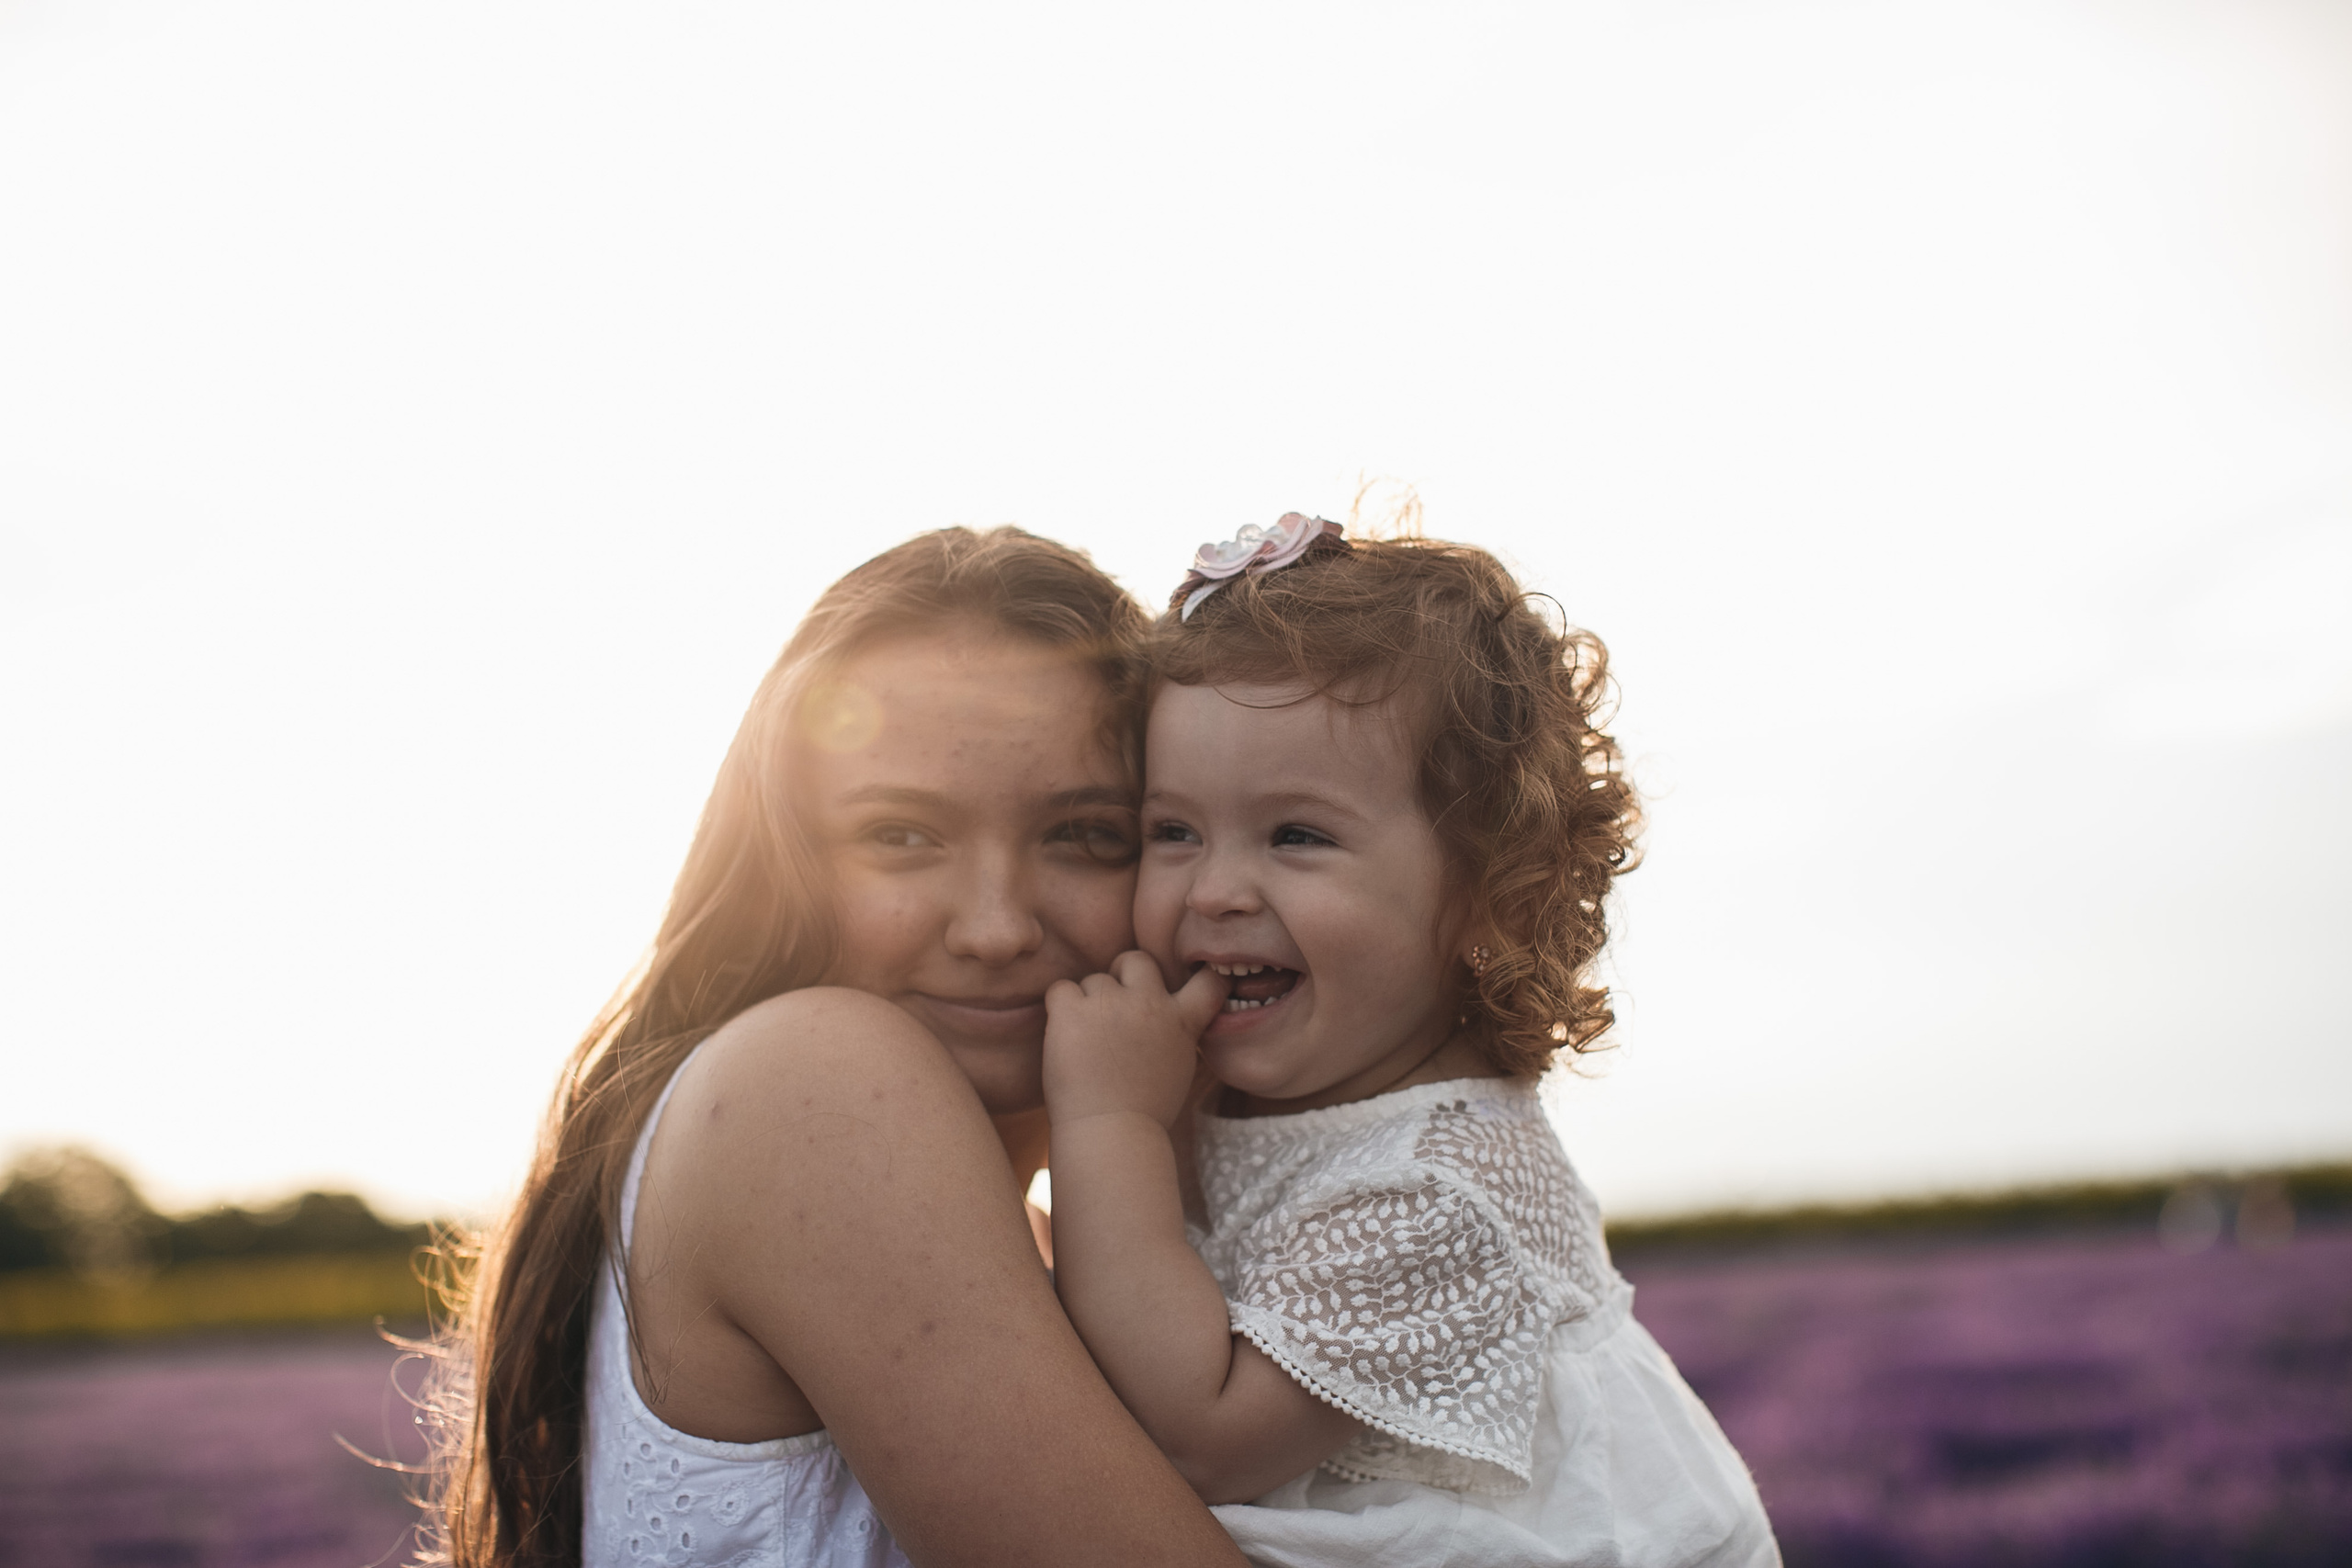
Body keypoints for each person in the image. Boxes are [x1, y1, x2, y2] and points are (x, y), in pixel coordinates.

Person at [417, 528, 1250, 1568]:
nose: (994, 927)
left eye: (1085, 833)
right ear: (784, 865)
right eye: (902, 836)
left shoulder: (1044, 1246)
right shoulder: (812, 1080)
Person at [1041, 513, 1781, 1565]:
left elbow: (1201, 1436)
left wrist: (1107, 1121)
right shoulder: (1249, 1083)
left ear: (1489, 893)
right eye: (1173, 831)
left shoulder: (1441, 1186)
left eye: (1296, 834)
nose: (1212, 890)